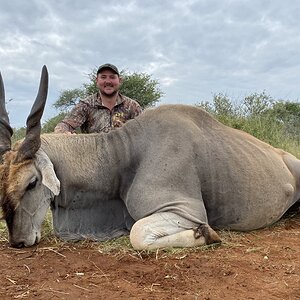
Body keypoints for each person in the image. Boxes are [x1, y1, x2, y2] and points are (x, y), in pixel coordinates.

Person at [54, 63, 142, 134]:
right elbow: (64, 124)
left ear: (119, 80)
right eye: (103, 77)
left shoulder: (132, 106)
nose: (108, 81)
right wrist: (63, 132)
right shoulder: (86, 105)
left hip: (126, 155)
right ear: (97, 80)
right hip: (93, 155)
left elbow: (143, 130)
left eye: (112, 77)